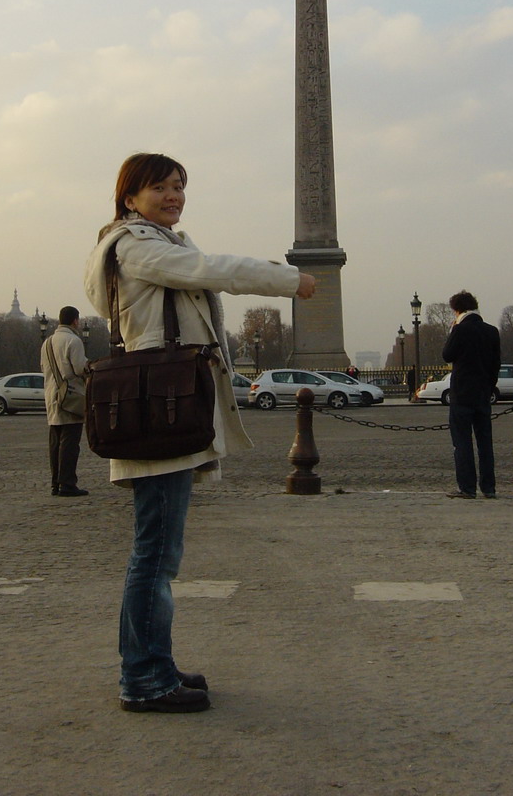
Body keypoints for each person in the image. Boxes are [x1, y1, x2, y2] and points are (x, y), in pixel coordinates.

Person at [84, 152, 316, 714]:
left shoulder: (155, 245)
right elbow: (212, 270)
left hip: (164, 409)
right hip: (159, 411)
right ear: (129, 196)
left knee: (158, 553)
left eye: (180, 186)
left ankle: (152, 664)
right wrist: (288, 280)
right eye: (160, 187)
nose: (174, 196)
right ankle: (142, 680)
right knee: (155, 555)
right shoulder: (137, 248)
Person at [441, 290, 501, 499]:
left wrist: (453, 331)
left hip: (462, 394)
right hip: (483, 393)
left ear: (457, 309)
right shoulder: (492, 331)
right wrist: (488, 386)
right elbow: (496, 365)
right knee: (485, 443)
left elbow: (447, 355)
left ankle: (467, 488)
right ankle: (489, 487)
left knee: (462, 443)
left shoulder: (460, 330)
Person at [40, 306, 89, 497]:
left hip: (51, 395)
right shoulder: (73, 340)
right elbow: (78, 369)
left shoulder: (47, 342)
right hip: (70, 396)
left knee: (55, 442)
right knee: (70, 443)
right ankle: (67, 483)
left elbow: (44, 368)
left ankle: (55, 483)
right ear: (75, 321)